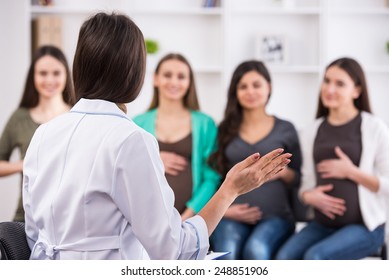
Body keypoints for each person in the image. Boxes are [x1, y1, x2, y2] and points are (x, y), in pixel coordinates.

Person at [22, 12, 291, 260]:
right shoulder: (129, 139)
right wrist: (230, 189)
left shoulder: (43, 134)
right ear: (135, 72)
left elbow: (33, 234)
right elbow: (172, 249)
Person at [276, 57, 389, 260]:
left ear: (356, 90)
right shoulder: (311, 130)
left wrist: (351, 172)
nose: (329, 89)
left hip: (366, 228)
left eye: (340, 84)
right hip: (322, 225)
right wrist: (308, 197)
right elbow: (306, 184)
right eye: (327, 81)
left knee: (315, 257)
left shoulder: (375, 128)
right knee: (284, 257)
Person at [208, 60, 302, 259]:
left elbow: (299, 179)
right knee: (226, 253)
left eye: (256, 85)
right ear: (236, 92)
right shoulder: (223, 130)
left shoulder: (286, 129)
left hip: (276, 218)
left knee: (256, 250)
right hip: (232, 216)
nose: (250, 91)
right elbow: (215, 178)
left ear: (269, 87)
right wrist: (226, 211)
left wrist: (282, 172)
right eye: (243, 86)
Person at [133, 53, 220, 220]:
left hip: (193, 220)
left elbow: (212, 178)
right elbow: (127, 171)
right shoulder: (138, 123)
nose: (174, 82)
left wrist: (186, 219)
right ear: (155, 79)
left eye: (181, 77)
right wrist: (154, 160)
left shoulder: (205, 124)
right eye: (167, 75)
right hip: (146, 220)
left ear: (189, 83)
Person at [0, 45, 74, 222]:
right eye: (42, 73)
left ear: (66, 76)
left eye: (56, 73)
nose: (49, 79)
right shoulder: (20, 118)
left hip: (69, 220)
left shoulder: (76, 116)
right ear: (33, 77)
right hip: (26, 218)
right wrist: (25, 164)